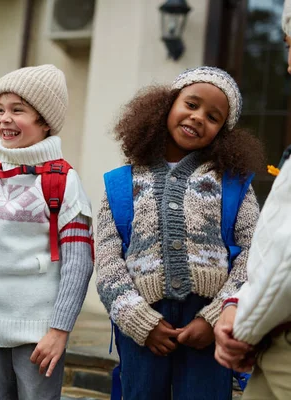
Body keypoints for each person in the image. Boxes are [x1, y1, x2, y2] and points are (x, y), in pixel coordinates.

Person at [95, 66, 263, 400]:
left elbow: (255, 253)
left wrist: (216, 318)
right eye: (191, 104)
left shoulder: (232, 184)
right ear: (166, 105)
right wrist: (139, 321)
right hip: (141, 324)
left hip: (207, 326)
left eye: (213, 116)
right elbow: (107, 260)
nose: (199, 117)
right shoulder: (120, 183)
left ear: (222, 132)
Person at [0, 64, 94, 400]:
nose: (5, 118)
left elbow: (79, 263)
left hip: (39, 329)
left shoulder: (63, 180)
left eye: (19, 110)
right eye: (0, 109)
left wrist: (59, 330)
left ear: (45, 121)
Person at [213, 3, 291, 398]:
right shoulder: (124, 182)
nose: (289, 65)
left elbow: (271, 254)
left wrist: (236, 324)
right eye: (287, 45)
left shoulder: (236, 188)